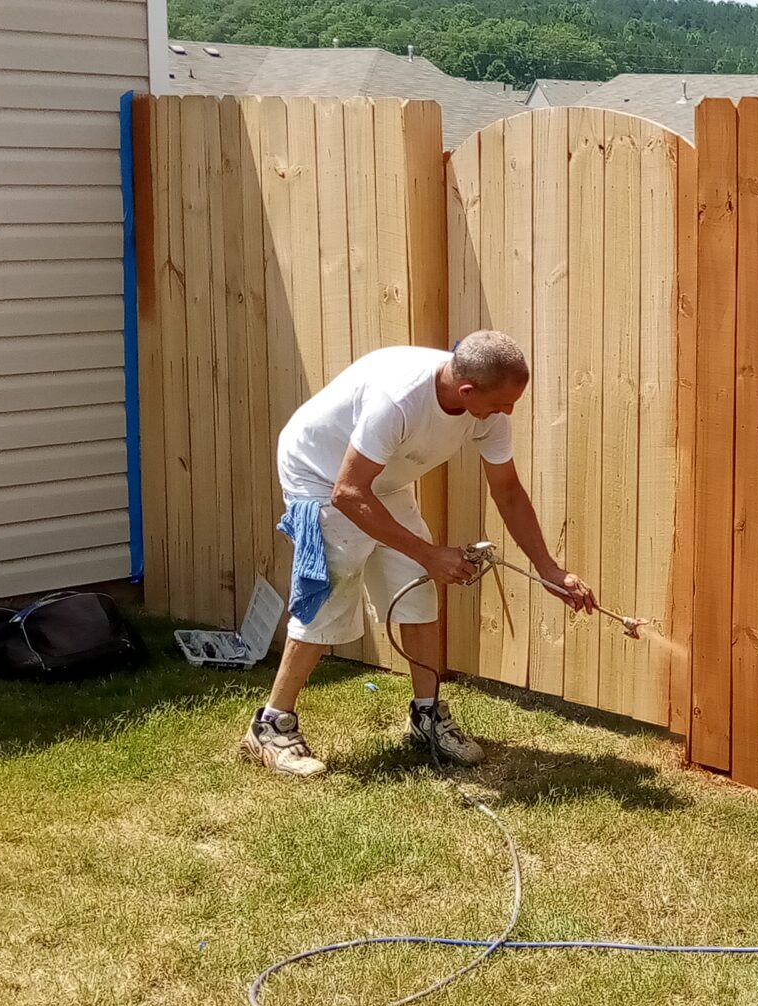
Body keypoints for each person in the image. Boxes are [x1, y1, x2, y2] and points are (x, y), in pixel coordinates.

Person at [241, 331, 595, 777]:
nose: (507, 413)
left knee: (416, 589)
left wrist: (549, 569)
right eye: (502, 404)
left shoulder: (486, 408)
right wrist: (430, 554)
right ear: (467, 390)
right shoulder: (399, 400)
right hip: (320, 474)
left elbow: (507, 491)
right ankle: (271, 725)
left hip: (379, 481)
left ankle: (426, 716)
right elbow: (348, 493)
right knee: (331, 587)